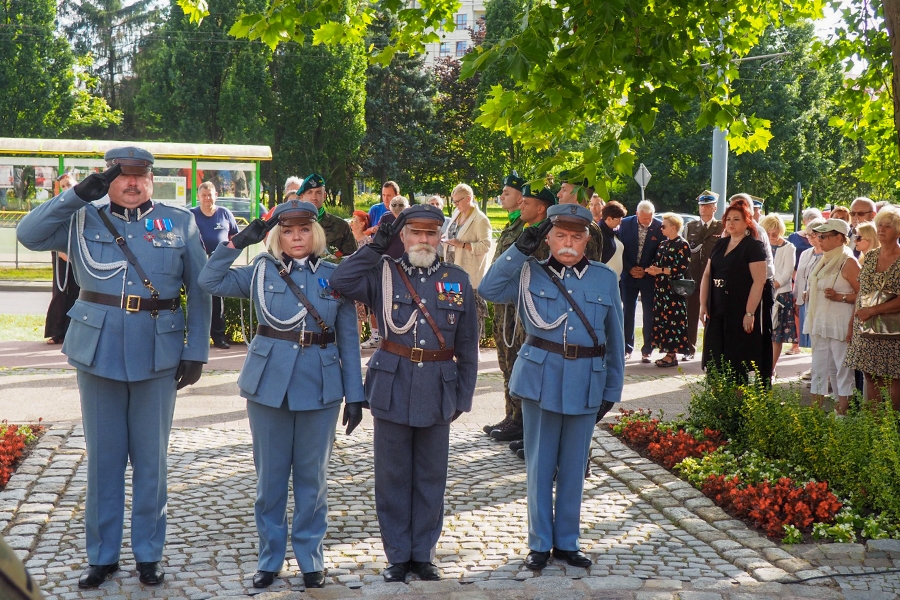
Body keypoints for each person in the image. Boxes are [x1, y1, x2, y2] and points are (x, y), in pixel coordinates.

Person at [16, 147, 211, 588]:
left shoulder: (178, 222)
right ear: (109, 179)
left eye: (141, 176)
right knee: (104, 462)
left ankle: (148, 554)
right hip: (98, 351)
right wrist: (75, 196)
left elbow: (200, 289)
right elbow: (27, 234)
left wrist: (196, 348)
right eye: (123, 176)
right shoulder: (83, 218)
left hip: (157, 353)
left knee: (151, 462)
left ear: (151, 179)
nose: (132, 184)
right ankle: (102, 557)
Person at [198, 200, 364, 590]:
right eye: (287, 231)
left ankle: (310, 558)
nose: (296, 237)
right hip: (269, 384)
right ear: (277, 236)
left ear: (315, 234)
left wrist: (355, 394)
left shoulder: (333, 275)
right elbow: (209, 281)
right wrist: (237, 242)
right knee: (270, 481)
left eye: (304, 230)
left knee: (313, 480)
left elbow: (350, 340)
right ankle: (270, 559)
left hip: (320, 386)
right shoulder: (260, 271)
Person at [329, 205, 478, 583]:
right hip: (392, 385)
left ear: (440, 236)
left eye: (431, 233)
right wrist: (375, 245)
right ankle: (397, 554)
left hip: (438, 387)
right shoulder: (384, 273)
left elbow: (469, 346)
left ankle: (423, 554)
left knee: (431, 476)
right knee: (392, 476)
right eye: (415, 233)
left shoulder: (456, 279)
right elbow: (342, 281)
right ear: (404, 236)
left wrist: (463, 396)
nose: (423, 240)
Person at [478, 203, 624, 572]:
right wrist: (519, 249)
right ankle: (540, 544)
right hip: (540, 378)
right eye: (561, 235)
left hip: (587, 379)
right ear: (549, 237)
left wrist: (612, 390)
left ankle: (568, 542)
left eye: (576, 236)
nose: (569, 243)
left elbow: (615, 337)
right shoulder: (530, 272)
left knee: (575, 468)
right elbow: (489, 289)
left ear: (587, 239)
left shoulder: (604, 278)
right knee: (540, 466)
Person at [699, 196, 772, 381]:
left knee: (737, 362)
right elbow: (707, 274)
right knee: (714, 360)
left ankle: (737, 406)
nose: (731, 223)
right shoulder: (720, 243)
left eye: (736, 219)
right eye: (728, 219)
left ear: (747, 222)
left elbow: (759, 281)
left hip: (739, 308)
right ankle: (717, 405)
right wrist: (703, 303)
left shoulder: (754, 246)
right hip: (717, 307)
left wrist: (749, 313)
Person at [483, 171, 527, 441]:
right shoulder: (513, 224)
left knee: (515, 360)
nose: (502, 196)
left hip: (513, 305)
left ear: (521, 197)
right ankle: (511, 414)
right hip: (502, 306)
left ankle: (520, 421)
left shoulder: (525, 227)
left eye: (507, 192)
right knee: (504, 361)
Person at [802, 219, 859, 414]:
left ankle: (842, 417)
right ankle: (815, 417)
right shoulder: (824, 259)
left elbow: (864, 295)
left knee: (842, 372)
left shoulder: (849, 261)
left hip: (840, 325)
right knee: (819, 371)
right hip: (821, 323)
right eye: (818, 236)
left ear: (839, 238)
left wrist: (840, 297)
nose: (819, 239)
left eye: (824, 236)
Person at [845, 205, 900, 408]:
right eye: (880, 226)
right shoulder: (869, 257)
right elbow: (861, 292)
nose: (882, 230)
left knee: (894, 379)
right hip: (865, 327)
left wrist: (873, 310)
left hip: (893, 332)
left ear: (898, 231)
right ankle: (873, 429)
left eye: (888, 226)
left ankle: (892, 429)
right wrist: (852, 323)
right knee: (870, 377)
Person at [190, 181, 240, 349]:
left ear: (216, 195)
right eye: (203, 195)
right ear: (198, 197)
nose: (207, 198)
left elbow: (234, 237)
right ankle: (197, 338)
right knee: (197, 300)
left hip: (218, 265)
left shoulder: (225, 214)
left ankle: (219, 338)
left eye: (210, 194)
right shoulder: (191, 215)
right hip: (197, 263)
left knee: (218, 302)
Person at [444, 183, 492, 342]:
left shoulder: (480, 219)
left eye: (457, 201)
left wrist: (462, 245)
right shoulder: (457, 213)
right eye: (453, 201)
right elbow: (451, 233)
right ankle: (458, 345)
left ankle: (474, 347)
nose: (455, 205)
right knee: (454, 310)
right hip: (451, 269)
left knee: (473, 312)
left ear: (469, 198)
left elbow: (486, 245)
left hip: (469, 273)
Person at [645, 213, 691, 367]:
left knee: (673, 322)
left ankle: (672, 354)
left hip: (673, 291)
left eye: (663, 226)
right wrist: (653, 269)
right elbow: (657, 262)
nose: (661, 228)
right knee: (662, 320)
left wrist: (661, 270)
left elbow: (681, 268)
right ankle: (667, 353)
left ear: (673, 227)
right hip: (661, 290)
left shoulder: (682, 244)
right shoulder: (663, 244)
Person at [620, 200, 663, 362]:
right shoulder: (625, 224)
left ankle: (648, 349)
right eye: (644, 218)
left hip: (649, 277)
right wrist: (629, 268)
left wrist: (646, 270)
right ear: (637, 214)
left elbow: (660, 252)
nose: (647, 221)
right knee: (628, 312)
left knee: (649, 313)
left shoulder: (659, 227)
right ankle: (627, 347)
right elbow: (620, 249)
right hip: (628, 275)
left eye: (650, 218)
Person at [684, 191, 724, 361]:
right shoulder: (691, 227)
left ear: (715, 207)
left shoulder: (721, 227)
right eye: (702, 205)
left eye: (708, 205)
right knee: (691, 314)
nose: (704, 208)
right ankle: (689, 348)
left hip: (713, 278)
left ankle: (710, 351)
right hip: (693, 278)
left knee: (712, 316)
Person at [44, 173, 81, 345]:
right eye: (63, 186)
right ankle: (56, 331)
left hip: (78, 252)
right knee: (60, 291)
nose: (67, 188)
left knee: (76, 292)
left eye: (69, 184)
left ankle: (69, 332)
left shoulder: (82, 204)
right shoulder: (58, 206)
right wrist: (61, 252)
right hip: (61, 251)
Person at [760, 214, 797, 376]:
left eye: (775, 233)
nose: (772, 237)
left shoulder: (789, 247)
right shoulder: (759, 245)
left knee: (776, 336)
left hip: (780, 295)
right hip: (761, 294)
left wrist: (770, 287)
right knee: (762, 334)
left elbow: (787, 273)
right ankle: (760, 367)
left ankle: (771, 369)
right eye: (768, 233)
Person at [297, 174, 356, 260]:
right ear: (302, 196)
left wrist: (335, 260)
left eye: (318, 193)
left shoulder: (341, 226)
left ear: (324, 196)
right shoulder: (291, 224)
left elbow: (353, 259)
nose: (314, 197)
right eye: (309, 192)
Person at [555, 172, 604, 261]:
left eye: (564, 190)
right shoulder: (589, 225)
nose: (558, 194)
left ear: (578, 196)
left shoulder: (586, 227)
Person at [794, 218, 826, 351]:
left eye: (814, 234)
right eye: (808, 235)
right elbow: (799, 278)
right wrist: (797, 299)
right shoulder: (805, 253)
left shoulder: (828, 254)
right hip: (804, 300)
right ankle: (813, 366)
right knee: (808, 336)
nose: (811, 238)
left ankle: (818, 368)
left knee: (819, 335)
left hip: (819, 301)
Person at [598, 201, 626, 276]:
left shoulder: (613, 231)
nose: (620, 223)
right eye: (618, 220)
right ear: (609, 219)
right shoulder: (599, 234)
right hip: (604, 279)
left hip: (615, 280)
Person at [378, 194, 410, 259]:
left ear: (389, 207)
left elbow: (379, 237)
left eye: (400, 205)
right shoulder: (411, 217)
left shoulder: (385, 216)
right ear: (408, 207)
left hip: (390, 257)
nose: (397, 207)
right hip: (392, 257)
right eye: (395, 205)